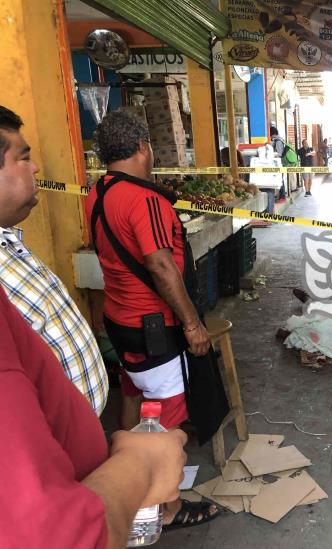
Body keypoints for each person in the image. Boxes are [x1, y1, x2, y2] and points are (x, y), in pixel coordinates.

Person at [86, 110, 219, 528]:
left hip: (119, 320)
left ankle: (124, 480)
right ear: (143, 147)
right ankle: (164, 508)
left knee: (132, 397)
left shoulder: (100, 190)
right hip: (155, 328)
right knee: (169, 420)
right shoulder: (144, 199)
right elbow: (161, 266)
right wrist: (193, 325)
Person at [0, 283, 188, 547]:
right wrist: (144, 462)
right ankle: (169, 508)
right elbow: (56, 537)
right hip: (96, 513)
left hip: (90, 491)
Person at [0, 105, 108, 416]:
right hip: (54, 454)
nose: (34, 168)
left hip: (79, 441)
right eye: (22, 158)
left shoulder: (10, 241)